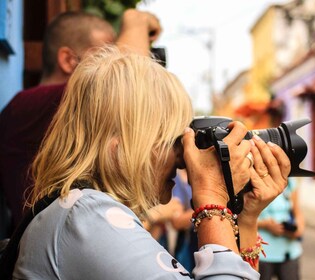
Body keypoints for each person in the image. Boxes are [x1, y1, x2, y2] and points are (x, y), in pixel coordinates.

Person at [12, 45, 291, 279]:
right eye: (174, 139)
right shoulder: (86, 218)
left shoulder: (80, 214)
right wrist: (212, 199)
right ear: (119, 147)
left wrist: (245, 218)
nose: (184, 156)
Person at [0, 9, 160, 233]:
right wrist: (136, 19)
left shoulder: (34, 110)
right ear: (67, 60)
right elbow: (128, 79)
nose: (114, 63)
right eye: (104, 53)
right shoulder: (31, 104)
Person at [257, 178, 305, 280]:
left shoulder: (290, 181)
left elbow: (298, 212)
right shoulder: (255, 179)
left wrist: (298, 229)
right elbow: (242, 219)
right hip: (262, 253)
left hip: (289, 251)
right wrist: (266, 225)